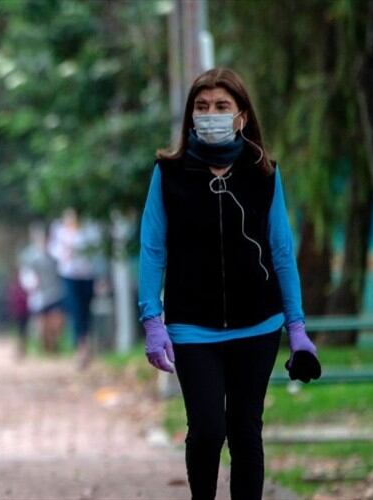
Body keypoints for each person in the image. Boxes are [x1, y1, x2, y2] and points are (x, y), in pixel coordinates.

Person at [138, 68, 321, 500]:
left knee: (245, 431)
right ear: (190, 116)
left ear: (241, 116)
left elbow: (281, 251)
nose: (211, 114)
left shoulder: (264, 173)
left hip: (257, 323)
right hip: (192, 325)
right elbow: (152, 249)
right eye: (202, 107)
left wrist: (296, 329)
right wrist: (152, 320)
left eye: (222, 107)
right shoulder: (169, 173)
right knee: (206, 429)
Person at [48, 209, 102, 368]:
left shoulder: (90, 227)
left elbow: (97, 247)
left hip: (88, 274)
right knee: (76, 310)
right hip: (69, 275)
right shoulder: (59, 228)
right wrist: (64, 252)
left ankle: (86, 342)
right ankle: (81, 347)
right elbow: (54, 250)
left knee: (86, 310)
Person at [19, 222, 65, 354]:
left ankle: (54, 343)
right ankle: (46, 347)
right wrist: (31, 283)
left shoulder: (55, 254)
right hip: (38, 295)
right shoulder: (29, 255)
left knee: (56, 322)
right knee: (41, 325)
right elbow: (25, 274)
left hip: (55, 293)